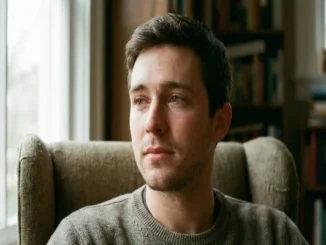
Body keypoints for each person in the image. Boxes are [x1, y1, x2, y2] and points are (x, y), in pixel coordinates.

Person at [47, 13, 308, 245]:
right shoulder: (83, 238)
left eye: (175, 99)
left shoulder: (274, 234)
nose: (152, 123)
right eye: (140, 100)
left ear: (219, 122)